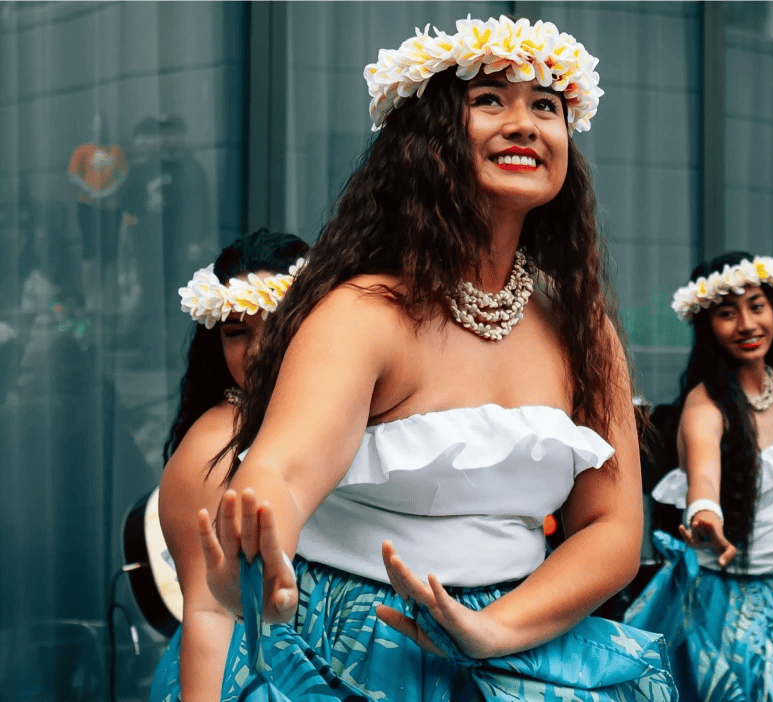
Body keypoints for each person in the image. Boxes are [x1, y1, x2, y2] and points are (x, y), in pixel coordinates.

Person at [185, 15, 678, 702]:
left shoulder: (580, 327)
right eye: (489, 101)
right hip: (354, 650)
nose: (525, 123)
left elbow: (613, 527)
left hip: (524, 640)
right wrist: (264, 536)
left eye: (546, 106)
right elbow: (287, 466)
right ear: (430, 140)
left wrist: (495, 629)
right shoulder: (366, 311)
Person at [625, 251, 773, 702]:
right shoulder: (704, 404)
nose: (747, 324)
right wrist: (705, 513)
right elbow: (704, 477)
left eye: (757, 306)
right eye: (728, 314)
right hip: (720, 596)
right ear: (707, 327)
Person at [149, 228, 309, 702]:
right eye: (236, 332)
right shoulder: (213, 446)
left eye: (278, 326)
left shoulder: (348, 418)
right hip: (244, 679)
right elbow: (209, 614)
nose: (258, 350)